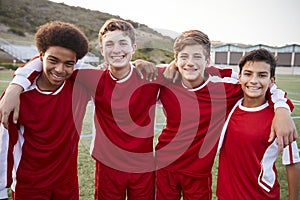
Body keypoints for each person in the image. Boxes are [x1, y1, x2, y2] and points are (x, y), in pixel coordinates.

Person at [0, 22, 296, 199]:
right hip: (116, 166)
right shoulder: (92, 77)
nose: (116, 50)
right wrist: (16, 84)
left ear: (134, 46)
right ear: (102, 50)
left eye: (123, 44)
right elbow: (50, 62)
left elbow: (256, 81)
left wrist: (281, 108)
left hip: (152, 167)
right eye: (110, 45)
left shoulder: (162, 76)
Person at [154, 30, 295, 200]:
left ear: (207, 61)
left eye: (197, 57)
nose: (190, 63)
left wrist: (282, 109)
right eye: (184, 57)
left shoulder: (225, 84)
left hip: (198, 172)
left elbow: (260, 83)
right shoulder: (165, 80)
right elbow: (132, 72)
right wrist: (142, 63)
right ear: (176, 60)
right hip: (164, 165)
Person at [0, 21, 90, 200]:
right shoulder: (17, 98)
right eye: (53, 60)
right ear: (41, 56)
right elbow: (4, 145)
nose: (59, 69)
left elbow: (112, 73)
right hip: (30, 187)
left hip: (67, 185)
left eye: (68, 64)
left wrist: (140, 63)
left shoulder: (79, 88)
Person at [216, 48, 300, 200]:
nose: (254, 80)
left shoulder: (278, 119)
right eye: (248, 74)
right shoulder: (230, 105)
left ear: (272, 81)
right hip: (225, 195)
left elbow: (292, 162)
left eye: (262, 75)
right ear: (240, 77)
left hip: (261, 196)